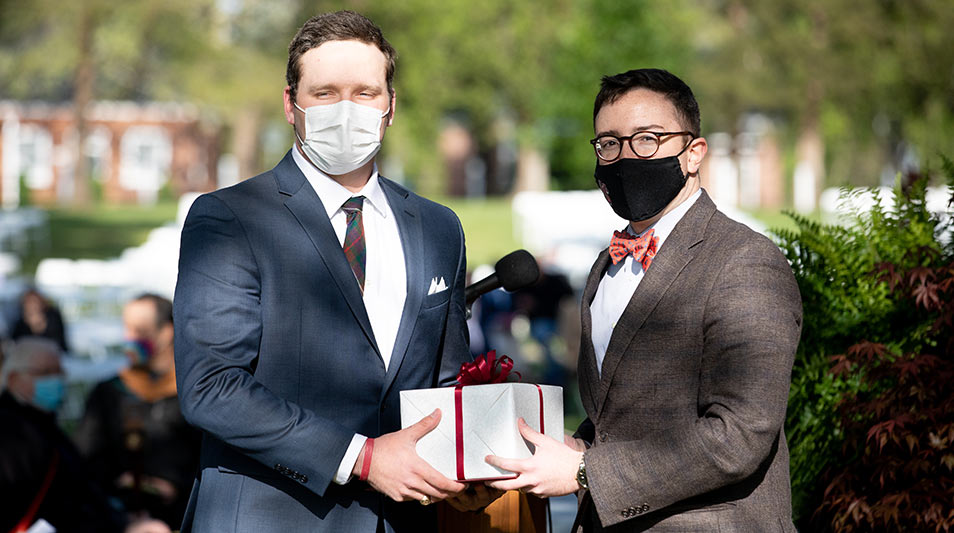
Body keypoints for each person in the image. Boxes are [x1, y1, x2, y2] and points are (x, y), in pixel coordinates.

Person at [173, 10, 498, 532]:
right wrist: (363, 458)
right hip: (271, 518)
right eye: (325, 93)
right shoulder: (230, 218)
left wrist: (470, 462)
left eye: (365, 93)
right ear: (291, 104)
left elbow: (442, 382)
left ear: (390, 106)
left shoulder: (439, 227)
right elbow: (211, 386)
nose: (346, 110)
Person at [485, 68, 803, 532]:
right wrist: (577, 447)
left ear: (694, 153)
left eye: (647, 139)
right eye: (609, 143)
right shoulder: (604, 267)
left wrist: (583, 472)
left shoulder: (745, 261)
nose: (626, 156)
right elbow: (616, 414)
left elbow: (739, 435)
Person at [73, 294, 199, 528]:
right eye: (126, 328)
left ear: (167, 332)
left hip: (183, 517)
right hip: (121, 517)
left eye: (139, 330)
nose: (129, 338)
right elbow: (86, 459)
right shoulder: (109, 391)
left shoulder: (195, 393)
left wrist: (175, 484)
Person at [0, 337, 126, 533]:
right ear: (14, 379)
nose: (58, 378)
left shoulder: (42, 423)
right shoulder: (11, 432)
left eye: (59, 371)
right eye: (46, 372)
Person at [11, 288, 69, 353]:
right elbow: (16, 341)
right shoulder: (20, 322)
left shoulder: (53, 316)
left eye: (34, 301)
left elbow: (58, 339)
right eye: (29, 302)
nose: (32, 305)